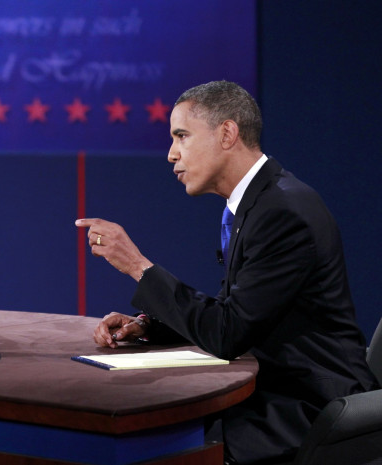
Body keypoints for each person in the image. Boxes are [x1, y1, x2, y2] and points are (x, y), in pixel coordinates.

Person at [76, 81, 378, 464]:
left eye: (181, 136)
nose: (171, 154)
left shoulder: (284, 212)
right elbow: (237, 311)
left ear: (227, 133)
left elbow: (228, 333)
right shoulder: (260, 204)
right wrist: (149, 326)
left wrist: (138, 266)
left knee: (163, 444)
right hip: (277, 390)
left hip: (309, 407)